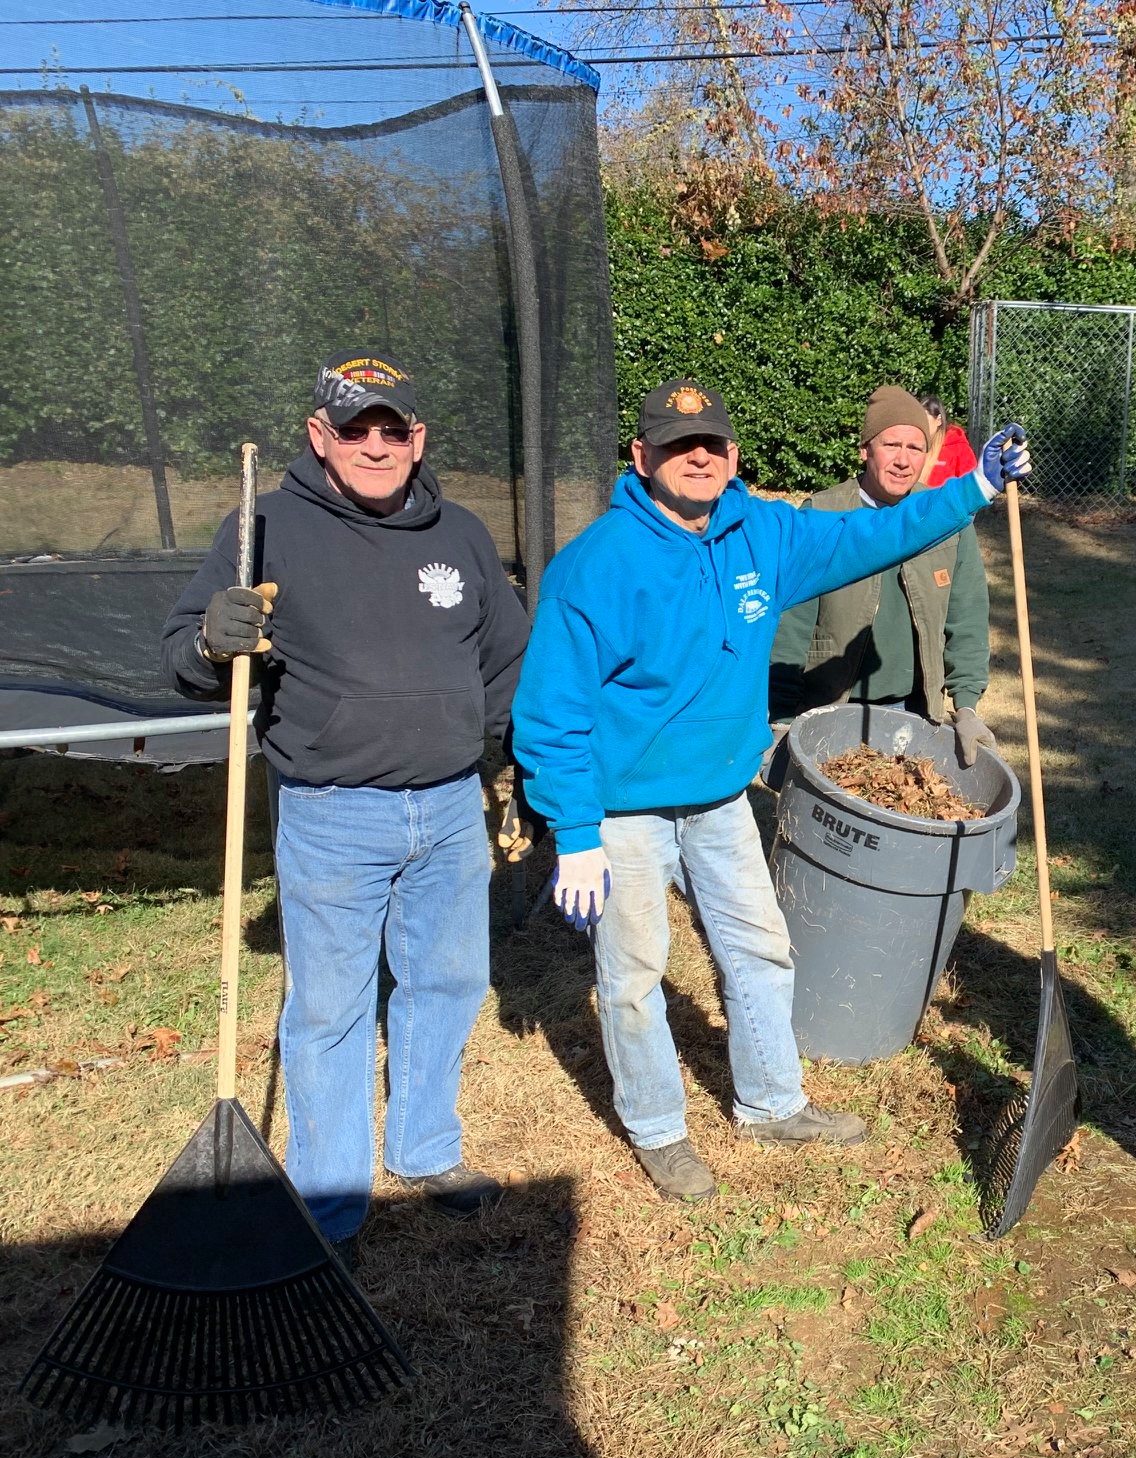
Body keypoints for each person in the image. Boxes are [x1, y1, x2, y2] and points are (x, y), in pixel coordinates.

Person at [510, 379, 1029, 1203]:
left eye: (711, 446)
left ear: (733, 457)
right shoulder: (596, 566)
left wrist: (975, 489)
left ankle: (771, 1104)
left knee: (761, 949)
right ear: (642, 458)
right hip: (624, 810)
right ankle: (658, 1129)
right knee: (635, 975)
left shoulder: (766, 534)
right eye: (678, 448)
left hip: (719, 798)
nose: (698, 459)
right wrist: (573, 833)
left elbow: (876, 534)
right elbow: (550, 710)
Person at [161, 350, 528, 1262]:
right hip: (331, 811)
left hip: (449, 808)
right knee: (329, 1010)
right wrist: (214, 638)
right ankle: (330, 1200)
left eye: (391, 428)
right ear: (319, 437)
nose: (375, 444)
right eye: (354, 428)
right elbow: (178, 648)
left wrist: (460, 732)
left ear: (418, 438)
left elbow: (506, 658)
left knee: (447, 984)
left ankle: (425, 1149)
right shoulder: (264, 527)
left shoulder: (464, 535)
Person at [768, 386, 996, 767]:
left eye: (915, 448)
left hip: (914, 710)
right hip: (830, 706)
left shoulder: (947, 519)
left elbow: (967, 617)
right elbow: (790, 630)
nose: (904, 461)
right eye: (891, 445)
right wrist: (781, 721)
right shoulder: (822, 515)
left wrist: (967, 706)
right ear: (864, 450)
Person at [919, 394, 977, 490]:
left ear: (939, 420)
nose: (921, 425)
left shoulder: (959, 449)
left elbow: (970, 486)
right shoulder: (915, 446)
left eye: (925, 419)